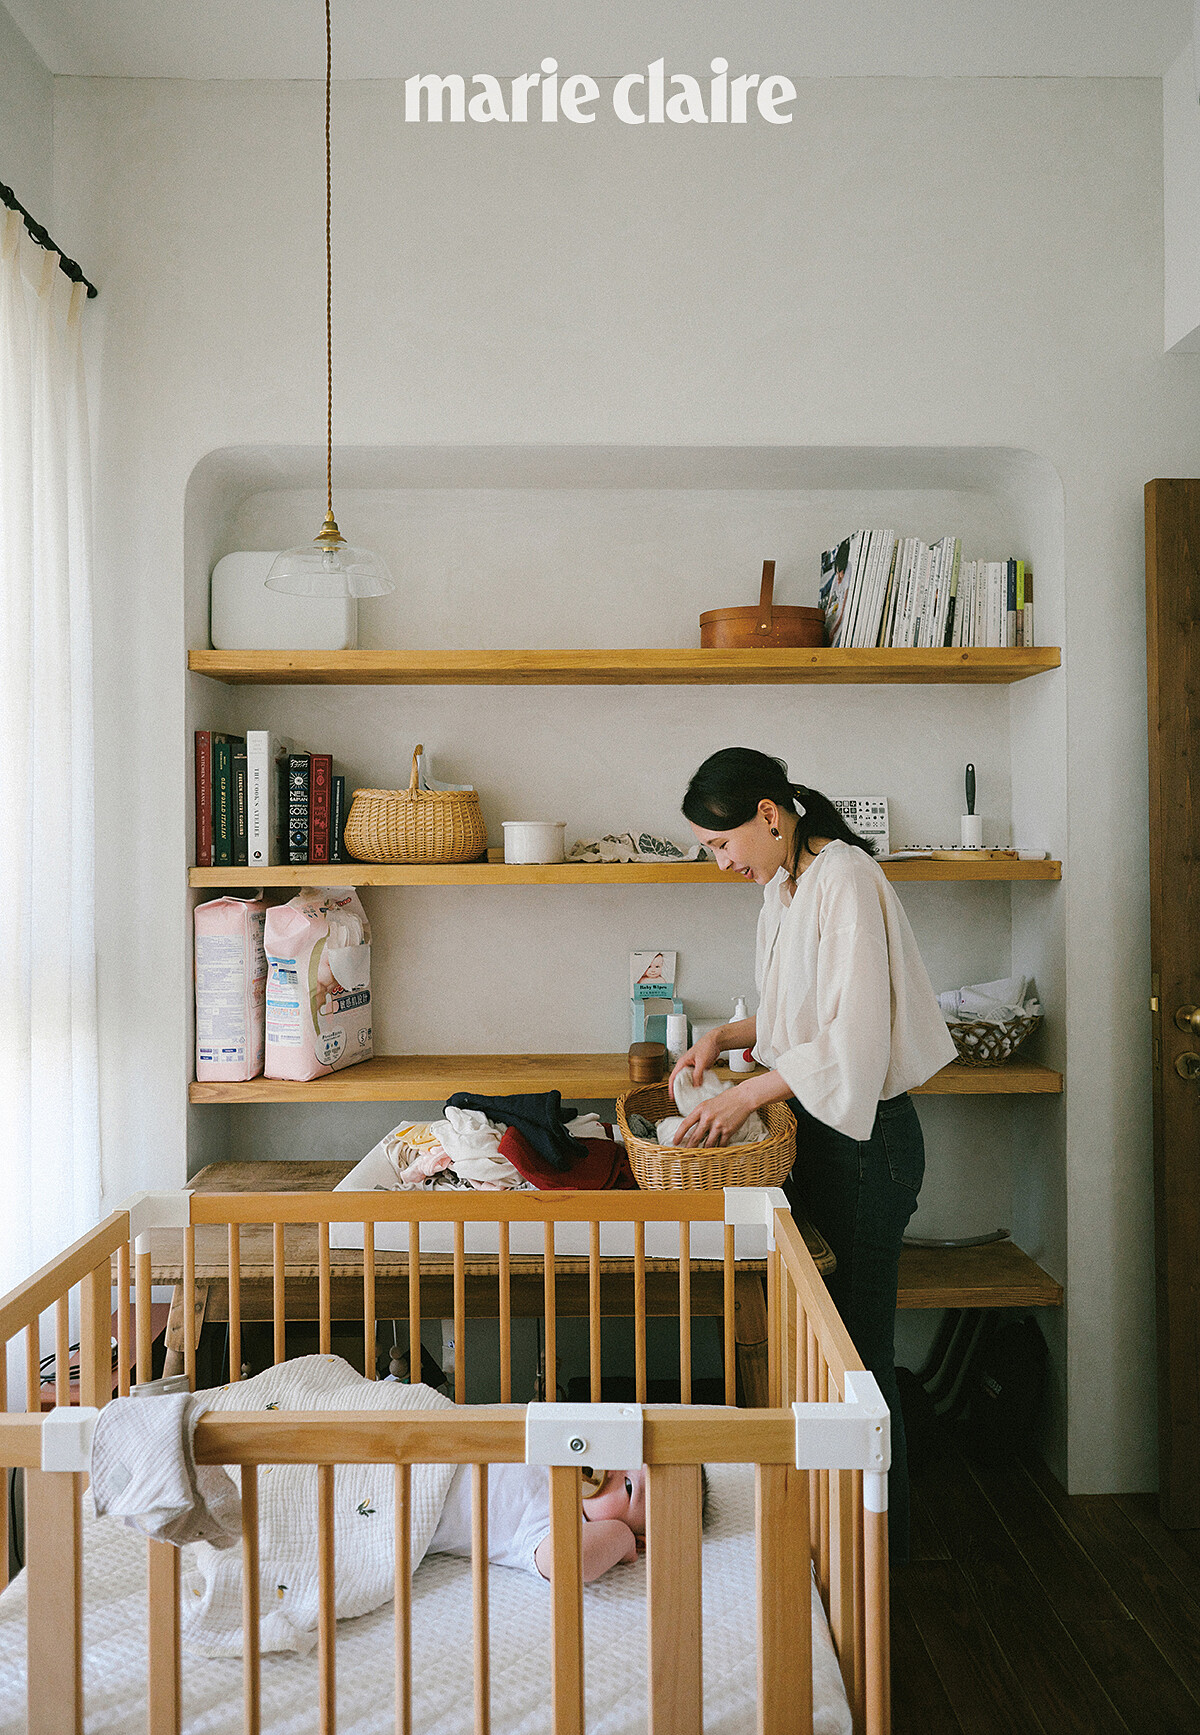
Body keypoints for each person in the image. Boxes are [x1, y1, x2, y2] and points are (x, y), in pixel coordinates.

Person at [669, 746, 955, 1563]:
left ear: (769, 812)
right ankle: (841, 1537)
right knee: (827, 1350)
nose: (721, 862)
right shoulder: (786, 886)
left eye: (722, 843)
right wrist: (724, 1037)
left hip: (869, 1146)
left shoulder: (847, 879)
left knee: (860, 1360)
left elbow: (853, 1038)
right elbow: (796, 1015)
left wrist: (742, 1096)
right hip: (821, 1140)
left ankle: (879, 1557)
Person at [427, 1462, 647, 1583]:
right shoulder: (565, 1451)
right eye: (621, 1455)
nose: (609, 1472)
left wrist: (622, 1536)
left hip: (417, 1493)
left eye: (628, 1486)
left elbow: (568, 1560)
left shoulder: (564, 1524)